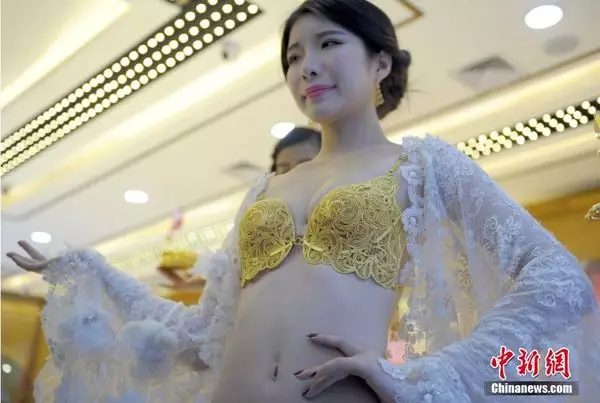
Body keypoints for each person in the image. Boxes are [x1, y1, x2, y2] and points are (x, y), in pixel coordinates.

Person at [7, 0, 600, 402]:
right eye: (292, 57)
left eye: (327, 44)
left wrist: (428, 374)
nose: (305, 67)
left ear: (380, 62)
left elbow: (556, 277)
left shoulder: (423, 166)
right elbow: (199, 335)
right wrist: (91, 268)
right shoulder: (263, 190)